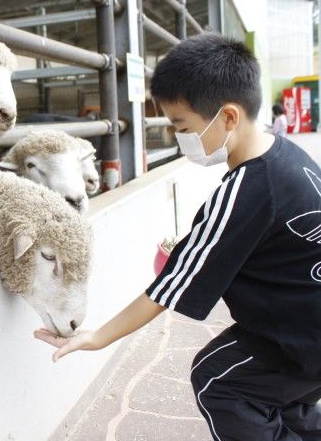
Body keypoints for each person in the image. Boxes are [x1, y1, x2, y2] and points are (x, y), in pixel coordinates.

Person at [35, 33, 321, 440]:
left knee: (218, 381)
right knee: (282, 397)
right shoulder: (288, 155)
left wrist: (99, 337)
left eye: (181, 126)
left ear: (229, 117)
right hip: (306, 321)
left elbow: (170, 286)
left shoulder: (245, 190)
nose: (177, 137)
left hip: (300, 338)